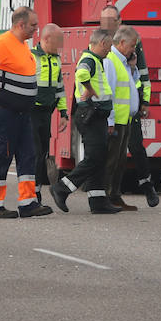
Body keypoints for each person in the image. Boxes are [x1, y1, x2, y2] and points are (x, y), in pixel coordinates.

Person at [0, 6, 51, 219]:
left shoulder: (23, 45)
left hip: (20, 114)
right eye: (33, 25)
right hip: (3, 112)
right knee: (1, 157)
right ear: (20, 25)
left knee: (28, 156)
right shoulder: (3, 42)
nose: (36, 30)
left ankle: (28, 203)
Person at [51, 29, 119, 214]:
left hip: (96, 116)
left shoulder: (96, 60)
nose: (110, 50)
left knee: (99, 157)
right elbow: (81, 74)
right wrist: (89, 89)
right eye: (110, 46)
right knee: (94, 157)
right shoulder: (89, 59)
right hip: (90, 115)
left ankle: (98, 201)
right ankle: (62, 188)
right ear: (102, 43)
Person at [99, 5, 159, 207]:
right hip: (112, 113)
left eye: (111, 21)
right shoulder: (101, 43)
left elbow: (142, 75)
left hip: (128, 111)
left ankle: (146, 188)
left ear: (119, 21)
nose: (107, 25)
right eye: (104, 21)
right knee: (109, 157)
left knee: (135, 149)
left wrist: (144, 101)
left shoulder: (131, 44)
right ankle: (93, 194)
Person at [103, 25, 141, 211]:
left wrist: (133, 68)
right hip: (116, 120)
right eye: (132, 45)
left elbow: (131, 86)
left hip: (124, 119)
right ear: (122, 42)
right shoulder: (111, 60)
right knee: (111, 161)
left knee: (120, 161)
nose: (134, 49)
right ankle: (106, 196)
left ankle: (115, 195)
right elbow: (108, 92)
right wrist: (110, 120)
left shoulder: (125, 62)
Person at [31, 23, 68, 206]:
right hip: (31, 113)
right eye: (58, 40)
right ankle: (32, 194)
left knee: (43, 154)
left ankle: (35, 192)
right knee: (35, 154)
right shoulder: (31, 57)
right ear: (46, 39)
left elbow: (60, 88)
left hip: (46, 114)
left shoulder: (56, 59)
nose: (61, 45)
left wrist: (63, 113)